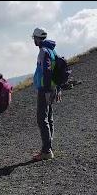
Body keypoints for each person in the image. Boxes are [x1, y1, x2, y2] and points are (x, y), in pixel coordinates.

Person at [32, 27, 60, 161]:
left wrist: (47, 89)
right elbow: (56, 71)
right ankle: (48, 147)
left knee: (42, 119)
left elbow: (47, 70)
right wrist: (57, 88)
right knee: (49, 118)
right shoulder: (52, 50)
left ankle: (46, 151)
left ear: (37, 38)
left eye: (34, 38)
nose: (34, 41)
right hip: (52, 88)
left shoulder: (43, 51)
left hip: (45, 89)